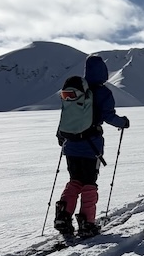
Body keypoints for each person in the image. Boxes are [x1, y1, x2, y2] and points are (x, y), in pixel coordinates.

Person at [54, 55, 130, 238]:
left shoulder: (76, 90)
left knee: (74, 181)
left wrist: (61, 136)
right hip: (91, 146)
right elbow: (109, 116)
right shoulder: (102, 92)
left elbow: (66, 116)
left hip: (71, 145)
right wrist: (123, 123)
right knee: (89, 184)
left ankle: (63, 216)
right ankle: (87, 223)